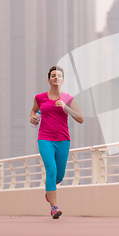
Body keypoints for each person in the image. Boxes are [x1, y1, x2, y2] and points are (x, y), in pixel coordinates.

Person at [30, 66, 84, 219]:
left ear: (63, 80)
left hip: (63, 140)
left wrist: (65, 107)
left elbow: (80, 119)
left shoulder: (67, 98)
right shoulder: (40, 98)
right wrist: (33, 117)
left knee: (59, 176)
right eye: (53, 75)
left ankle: (50, 191)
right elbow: (33, 111)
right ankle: (54, 207)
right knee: (51, 170)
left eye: (59, 76)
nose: (56, 78)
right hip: (45, 139)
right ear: (49, 80)